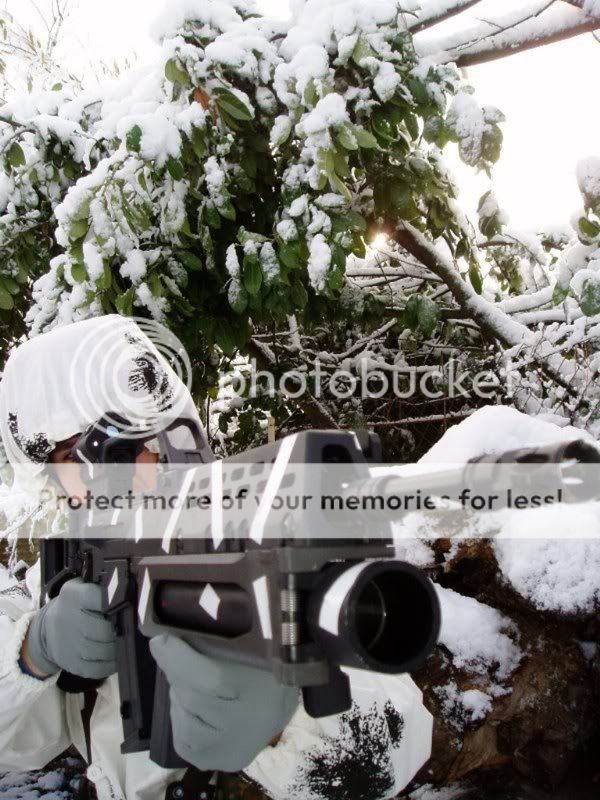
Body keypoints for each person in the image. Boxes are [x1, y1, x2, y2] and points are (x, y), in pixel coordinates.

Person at [0, 315, 433, 800]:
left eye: (131, 436)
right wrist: (31, 653)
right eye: (75, 455)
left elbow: (400, 740)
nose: (116, 467)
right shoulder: (66, 574)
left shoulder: (245, 523)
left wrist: (286, 724)